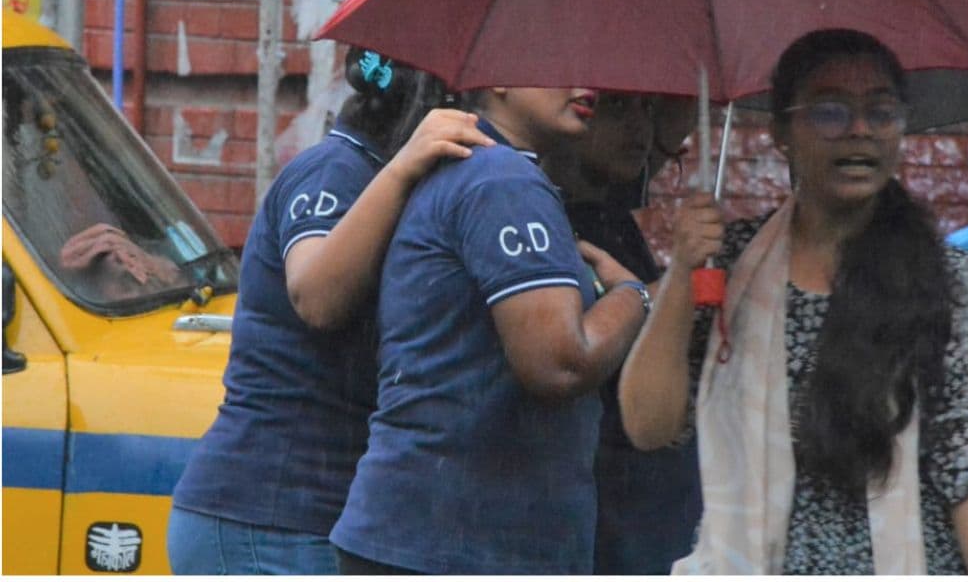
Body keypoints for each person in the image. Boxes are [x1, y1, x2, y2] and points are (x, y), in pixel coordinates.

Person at [619, 29, 968, 574]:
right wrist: (685, 271)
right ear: (782, 133)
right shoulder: (725, 265)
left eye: (881, 112)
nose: (859, 131)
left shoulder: (950, 282)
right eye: (831, 112)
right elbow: (648, 425)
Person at [167, 50, 493, 575]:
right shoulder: (335, 172)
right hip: (268, 523)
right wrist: (405, 166)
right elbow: (315, 295)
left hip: (310, 518)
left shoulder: (383, 180)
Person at [330, 86, 652, 574]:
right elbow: (560, 363)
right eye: (557, 54)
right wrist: (634, 295)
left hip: (427, 536)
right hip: (458, 545)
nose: (584, 82)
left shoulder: (480, 168)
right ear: (499, 77)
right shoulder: (502, 178)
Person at [543, 93, 701, 574]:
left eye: (646, 111)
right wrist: (664, 291)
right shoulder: (551, 220)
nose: (641, 128)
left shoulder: (610, 206)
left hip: (650, 489)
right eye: (618, 111)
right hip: (605, 492)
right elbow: (578, 343)